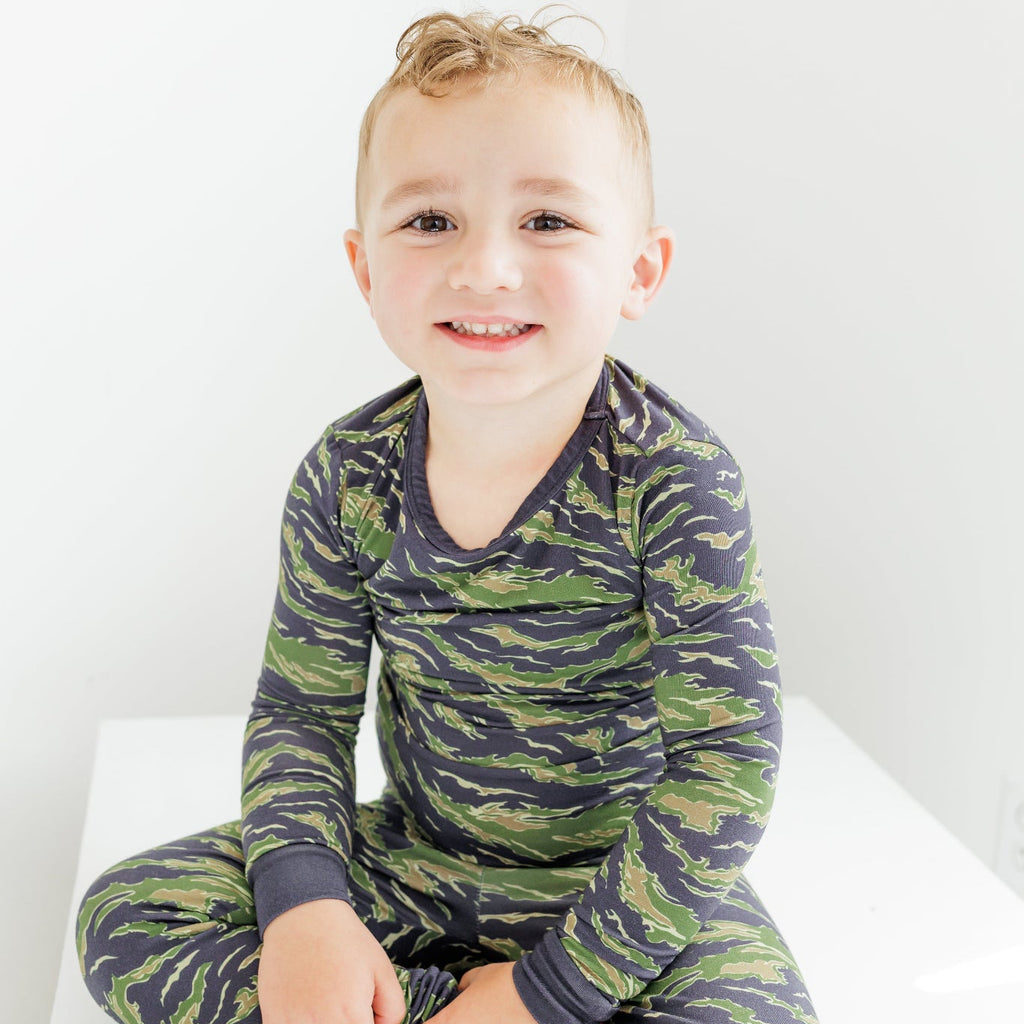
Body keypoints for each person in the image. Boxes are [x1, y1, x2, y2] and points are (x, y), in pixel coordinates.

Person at [76, 9, 817, 1024]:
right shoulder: (348, 476)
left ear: (640, 270)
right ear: (364, 266)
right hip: (412, 856)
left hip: (614, 885)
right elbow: (303, 714)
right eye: (430, 220)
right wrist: (309, 918)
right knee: (128, 914)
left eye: (547, 220)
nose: (484, 267)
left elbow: (724, 766)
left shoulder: (675, 481)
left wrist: (548, 991)